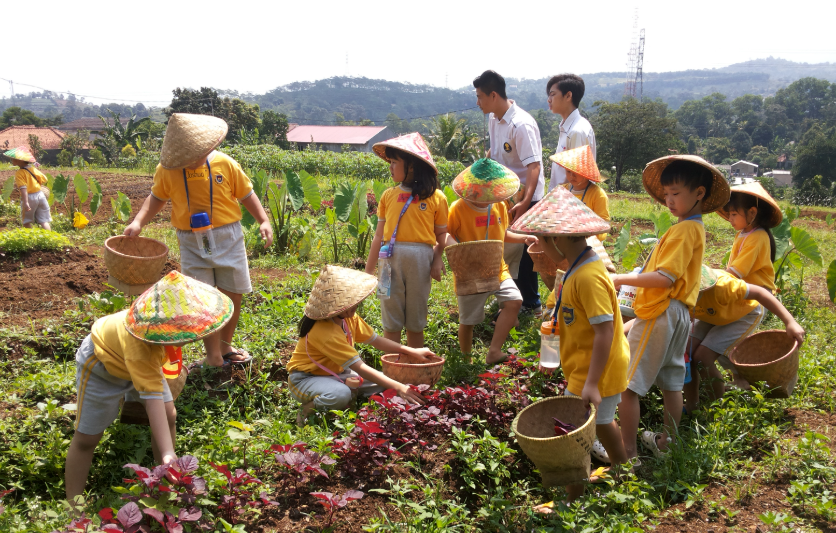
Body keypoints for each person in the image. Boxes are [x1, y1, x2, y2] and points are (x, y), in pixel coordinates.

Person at [65, 271, 233, 501]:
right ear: (166, 327)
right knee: (87, 439)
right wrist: (168, 452)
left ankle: (163, 478)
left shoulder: (157, 335)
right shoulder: (142, 345)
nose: (192, 337)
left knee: (168, 414)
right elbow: (153, 399)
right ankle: (73, 505)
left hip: (142, 364)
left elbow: (158, 398)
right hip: (103, 367)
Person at [124, 114, 273, 367]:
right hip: (191, 240)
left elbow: (247, 193)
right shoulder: (168, 170)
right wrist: (138, 221)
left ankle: (226, 347)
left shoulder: (226, 164)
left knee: (233, 290)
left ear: (208, 147)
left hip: (228, 235)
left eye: (196, 155)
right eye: (186, 158)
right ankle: (213, 354)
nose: (191, 162)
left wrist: (263, 220)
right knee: (202, 297)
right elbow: (156, 197)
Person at [512, 186, 629, 503]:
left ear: (558, 240)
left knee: (573, 434)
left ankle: (571, 499)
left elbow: (604, 332)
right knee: (603, 424)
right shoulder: (577, 269)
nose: (538, 247)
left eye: (541, 241)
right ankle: (624, 472)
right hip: (591, 367)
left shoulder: (588, 278)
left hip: (597, 373)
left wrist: (591, 383)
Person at [611, 156, 730, 459]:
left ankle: (627, 451)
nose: (669, 200)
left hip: (660, 312)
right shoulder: (693, 228)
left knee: (628, 386)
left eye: (676, 193)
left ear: (699, 193)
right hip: (679, 315)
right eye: (666, 194)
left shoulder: (683, 231)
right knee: (672, 384)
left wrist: (617, 278)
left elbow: (664, 278)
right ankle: (669, 444)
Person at [289, 265, 429, 426]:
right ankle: (307, 410)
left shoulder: (348, 318)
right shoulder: (323, 331)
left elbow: (375, 340)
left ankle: (345, 397)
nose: (356, 305)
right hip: (306, 379)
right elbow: (360, 367)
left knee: (387, 384)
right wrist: (399, 387)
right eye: (350, 302)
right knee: (341, 395)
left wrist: (410, 350)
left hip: (338, 373)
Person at [437, 159, 534, 364]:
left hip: (497, 268)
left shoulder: (499, 206)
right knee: (468, 321)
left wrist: (524, 238)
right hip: (470, 272)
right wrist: (457, 247)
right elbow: (444, 234)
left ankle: (494, 351)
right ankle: (466, 361)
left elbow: (504, 233)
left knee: (515, 301)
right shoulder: (458, 209)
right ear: (473, 188)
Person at [365, 133, 448, 348]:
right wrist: (366, 275)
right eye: (390, 162)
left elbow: (441, 236)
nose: (390, 167)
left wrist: (438, 258)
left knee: (416, 319)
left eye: (394, 162)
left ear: (411, 165)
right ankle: (392, 367)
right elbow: (378, 237)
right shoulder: (387, 196)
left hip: (422, 260)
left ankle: (413, 370)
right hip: (386, 260)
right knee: (390, 318)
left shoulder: (436, 197)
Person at [683, 266, 804, 411]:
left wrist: (790, 322)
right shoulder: (677, 290)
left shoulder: (722, 286)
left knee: (703, 357)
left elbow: (760, 293)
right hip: (714, 313)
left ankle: (717, 407)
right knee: (685, 353)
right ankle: (692, 404)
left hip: (744, 314)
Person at [473, 70, 545, 314]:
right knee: (505, 245)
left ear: (493, 95)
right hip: (505, 193)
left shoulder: (521, 124)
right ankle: (509, 296)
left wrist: (525, 203)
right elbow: (494, 155)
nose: (477, 102)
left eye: (480, 96)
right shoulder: (494, 119)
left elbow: (534, 166)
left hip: (527, 195)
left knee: (525, 251)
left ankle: (531, 303)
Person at [717, 182, 780, 290]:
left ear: (752, 213)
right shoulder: (741, 234)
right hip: (745, 288)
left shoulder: (758, 236)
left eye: (734, 214)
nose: (730, 219)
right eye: (729, 214)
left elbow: (738, 270)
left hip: (759, 294)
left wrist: (716, 278)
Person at [546, 74, 596, 191]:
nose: (549, 99)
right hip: (560, 200)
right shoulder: (568, 127)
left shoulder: (576, 131)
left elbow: (577, 180)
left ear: (568, 96)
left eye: (553, 94)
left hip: (568, 204)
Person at [5, 146, 51, 230]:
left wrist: (26, 202)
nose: (11, 160)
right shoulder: (33, 169)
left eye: (13, 158)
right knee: (44, 221)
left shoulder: (19, 173)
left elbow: (23, 189)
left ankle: (31, 239)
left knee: (26, 222)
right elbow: (45, 179)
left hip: (29, 197)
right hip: (40, 195)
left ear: (19, 160)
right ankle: (50, 239)